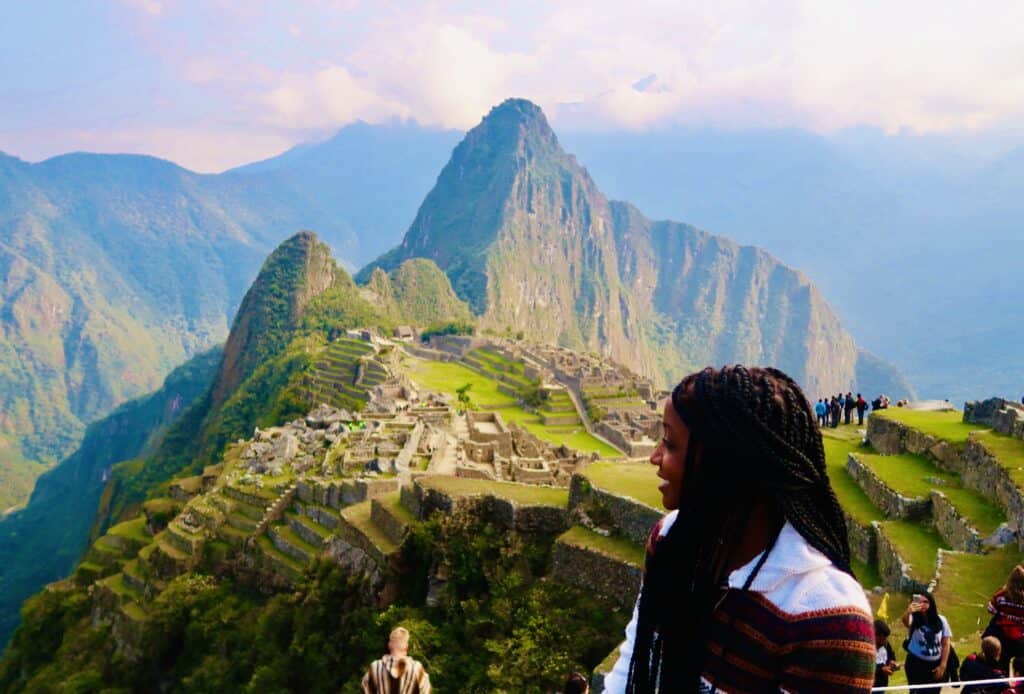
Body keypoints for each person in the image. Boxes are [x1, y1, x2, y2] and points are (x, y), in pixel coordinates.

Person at [604, 365, 875, 692]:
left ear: (725, 463)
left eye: (671, 444)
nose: (655, 457)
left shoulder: (825, 617)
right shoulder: (672, 540)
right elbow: (636, 656)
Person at [902, 591, 953, 693]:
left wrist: (942, 666)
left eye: (926, 602)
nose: (923, 604)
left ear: (931, 604)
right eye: (919, 602)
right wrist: (908, 612)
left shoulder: (941, 620)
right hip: (916, 663)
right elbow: (906, 622)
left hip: (935, 664)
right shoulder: (915, 618)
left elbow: (946, 643)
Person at [361, 627, 431, 694]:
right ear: (407, 646)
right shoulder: (417, 669)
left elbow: (365, 689)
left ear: (389, 645)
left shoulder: (375, 667)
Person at [985, 565, 1024, 670]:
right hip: (1020, 637)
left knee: (1002, 663)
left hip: (1002, 634)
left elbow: (991, 609)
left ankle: (1002, 680)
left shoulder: (1002, 595)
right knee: (1020, 664)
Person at [875, 619, 900, 687]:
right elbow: (862, 667)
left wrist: (892, 663)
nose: (883, 641)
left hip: (882, 685)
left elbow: (891, 656)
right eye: (881, 638)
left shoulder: (886, 644)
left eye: (885, 638)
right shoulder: (865, 647)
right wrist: (881, 670)